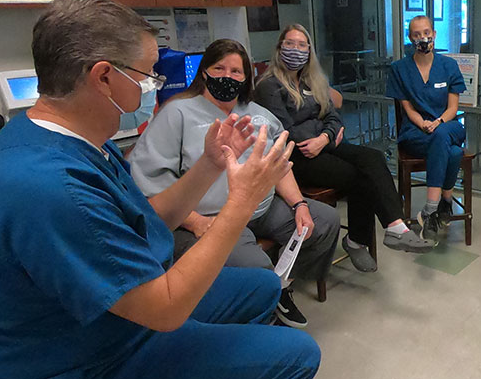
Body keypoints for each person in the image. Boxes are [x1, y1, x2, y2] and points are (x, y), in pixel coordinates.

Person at [0, 0, 319, 379]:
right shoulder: (50, 186)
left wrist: (211, 164)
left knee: (262, 286)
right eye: (146, 74)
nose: (152, 85)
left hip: (105, 326)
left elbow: (149, 220)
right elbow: (165, 311)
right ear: (103, 77)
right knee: (296, 358)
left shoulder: (73, 142)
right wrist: (241, 203)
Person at [129, 39, 340, 330]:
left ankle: (281, 287)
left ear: (246, 78)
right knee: (256, 268)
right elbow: (151, 189)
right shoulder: (176, 114)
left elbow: (278, 166)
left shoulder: (258, 114)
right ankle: (265, 301)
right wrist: (194, 221)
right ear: (204, 72)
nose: (227, 76)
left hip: (262, 207)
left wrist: (299, 204)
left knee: (325, 222)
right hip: (212, 216)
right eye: (219, 68)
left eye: (236, 71)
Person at [253, 24, 432, 269]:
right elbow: (284, 130)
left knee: (373, 158)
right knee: (361, 178)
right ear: (279, 48)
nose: (296, 49)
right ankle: (357, 241)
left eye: (302, 45)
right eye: (290, 44)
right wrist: (322, 134)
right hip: (296, 158)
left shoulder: (311, 80)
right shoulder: (268, 86)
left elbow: (333, 115)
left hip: (322, 144)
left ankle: (395, 226)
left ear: (309, 51)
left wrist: (324, 137)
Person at [385, 15, 467, 241]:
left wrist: (438, 122)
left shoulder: (448, 65)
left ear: (434, 34)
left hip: (448, 125)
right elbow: (408, 108)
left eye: (426, 33)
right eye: (417, 34)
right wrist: (422, 123)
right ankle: (445, 202)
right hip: (415, 131)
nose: (423, 38)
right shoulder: (399, 69)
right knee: (453, 152)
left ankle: (429, 210)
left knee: (441, 136)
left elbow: (453, 108)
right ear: (410, 38)